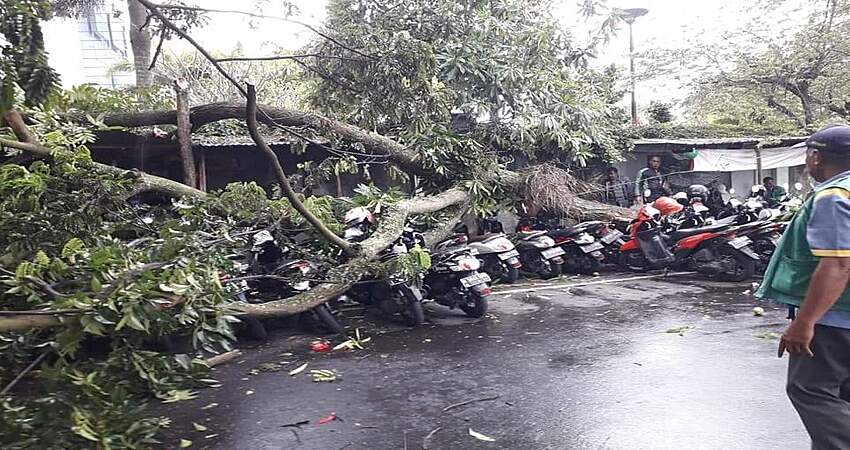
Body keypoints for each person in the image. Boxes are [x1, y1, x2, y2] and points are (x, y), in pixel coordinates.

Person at [755, 124, 850, 449]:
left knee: (811, 391)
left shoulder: (835, 195)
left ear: (815, 156)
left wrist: (804, 323)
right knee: (843, 397)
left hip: (835, 317)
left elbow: (837, 264)